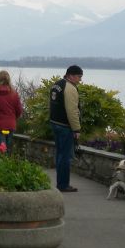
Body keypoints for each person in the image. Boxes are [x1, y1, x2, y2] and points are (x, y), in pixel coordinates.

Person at [49, 65, 83, 193]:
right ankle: (63, 185)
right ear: (71, 75)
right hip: (65, 126)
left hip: (55, 123)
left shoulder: (56, 85)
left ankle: (60, 182)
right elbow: (72, 111)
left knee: (60, 154)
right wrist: (76, 129)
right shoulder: (70, 88)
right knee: (65, 156)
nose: (80, 79)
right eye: (79, 76)